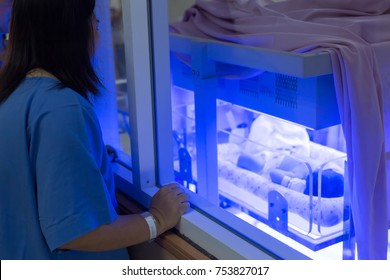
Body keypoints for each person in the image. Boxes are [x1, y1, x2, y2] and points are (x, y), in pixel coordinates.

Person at [0, 0, 189, 260]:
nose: (98, 35)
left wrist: (92, 156)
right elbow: (80, 232)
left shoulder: (13, 94)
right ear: (72, 33)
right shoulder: (62, 106)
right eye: (96, 25)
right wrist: (157, 219)